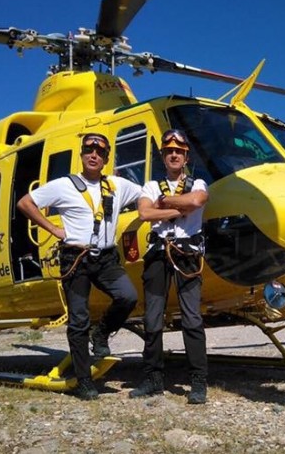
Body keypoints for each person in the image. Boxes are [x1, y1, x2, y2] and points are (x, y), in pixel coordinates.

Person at [17, 133, 141, 401]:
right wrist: (52, 228)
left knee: (128, 296)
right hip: (76, 258)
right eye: (88, 150)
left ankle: (102, 333)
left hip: (106, 258)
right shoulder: (63, 185)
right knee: (78, 320)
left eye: (99, 152)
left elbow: (145, 197)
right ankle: (84, 380)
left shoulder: (117, 185)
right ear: (82, 154)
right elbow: (25, 203)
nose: (93, 155)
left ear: (107, 158)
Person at [130, 129, 210, 404]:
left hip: (187, 255)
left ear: (186, 156)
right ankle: (152, 378)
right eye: (169, 151)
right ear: (163, 156)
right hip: (157, 254)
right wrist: (179, 208)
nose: (174, 155)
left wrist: (163, 204)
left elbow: (198, 200)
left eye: (179, 151)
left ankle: (198, 382)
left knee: (192, 318)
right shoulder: (151, 186)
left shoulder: (197, 182)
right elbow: (144, 213)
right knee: (152, 318)